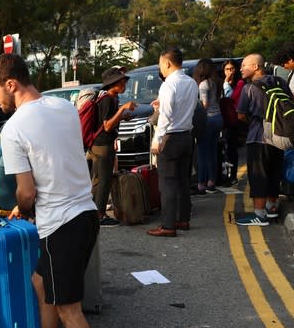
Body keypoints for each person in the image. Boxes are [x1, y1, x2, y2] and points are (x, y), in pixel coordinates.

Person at [0, 53, 114, 328]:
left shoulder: (12, 130)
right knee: (41, 282)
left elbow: (25, 193)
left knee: (69, 309)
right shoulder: (63, 107)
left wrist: (22, 208)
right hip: (85, 213)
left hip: (60, 224)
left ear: (11, 85)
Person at [235, 53, 292, 226]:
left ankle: (259, 215)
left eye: (244, 65)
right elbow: (291, 102)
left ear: (256, 67)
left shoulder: (249, 88)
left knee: (258, 175)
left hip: (258, 137)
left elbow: (241, 115)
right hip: (279, 136)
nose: (241, 69)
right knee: (275, 171)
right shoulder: (280, 82)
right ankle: (271, 207)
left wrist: (254, 122)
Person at [147, 48, 198, 237]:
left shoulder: (169, 84)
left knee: (167, 182)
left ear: (167, 63)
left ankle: (168, 225)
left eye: (161, 64)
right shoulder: (191, 82)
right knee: (183, 180)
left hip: (171, 137)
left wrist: (156, 139)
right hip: (186, 135)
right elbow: (188, 107)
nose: (161, 68)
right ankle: (183, 219)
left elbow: (166, 115)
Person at [88, 67, 137, 227]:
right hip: (102, 145)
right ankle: (100, 216)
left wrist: (122, 116)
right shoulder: (107, 99)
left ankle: (94, 213)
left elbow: (109, 121)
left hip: (100, 144)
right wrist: (123, 109)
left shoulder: (111, 98)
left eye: (124, 80)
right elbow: (107, 126)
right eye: (121, 81)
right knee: (104, 180)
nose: (124, 83)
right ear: (113, 83)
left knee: (98, 180)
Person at [192, 59, 224, 194]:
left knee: (202, 152)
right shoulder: (215, 82)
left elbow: (204, 105)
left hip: (208, 120)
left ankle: (201, 183)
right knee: (212, 151)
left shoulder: (203, 85)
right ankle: (212, 180)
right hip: (218, 118)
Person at [221, 59, 244, 186]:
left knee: (232, 149)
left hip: (234, 121)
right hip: (224, 120)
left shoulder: (240, 83)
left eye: (232, 69)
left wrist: (226, 83)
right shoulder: (221, 83)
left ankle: (233, 176)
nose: (229, 72)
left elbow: (232, 98)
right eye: (227, 69)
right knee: (224, 150)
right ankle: (225, 175)